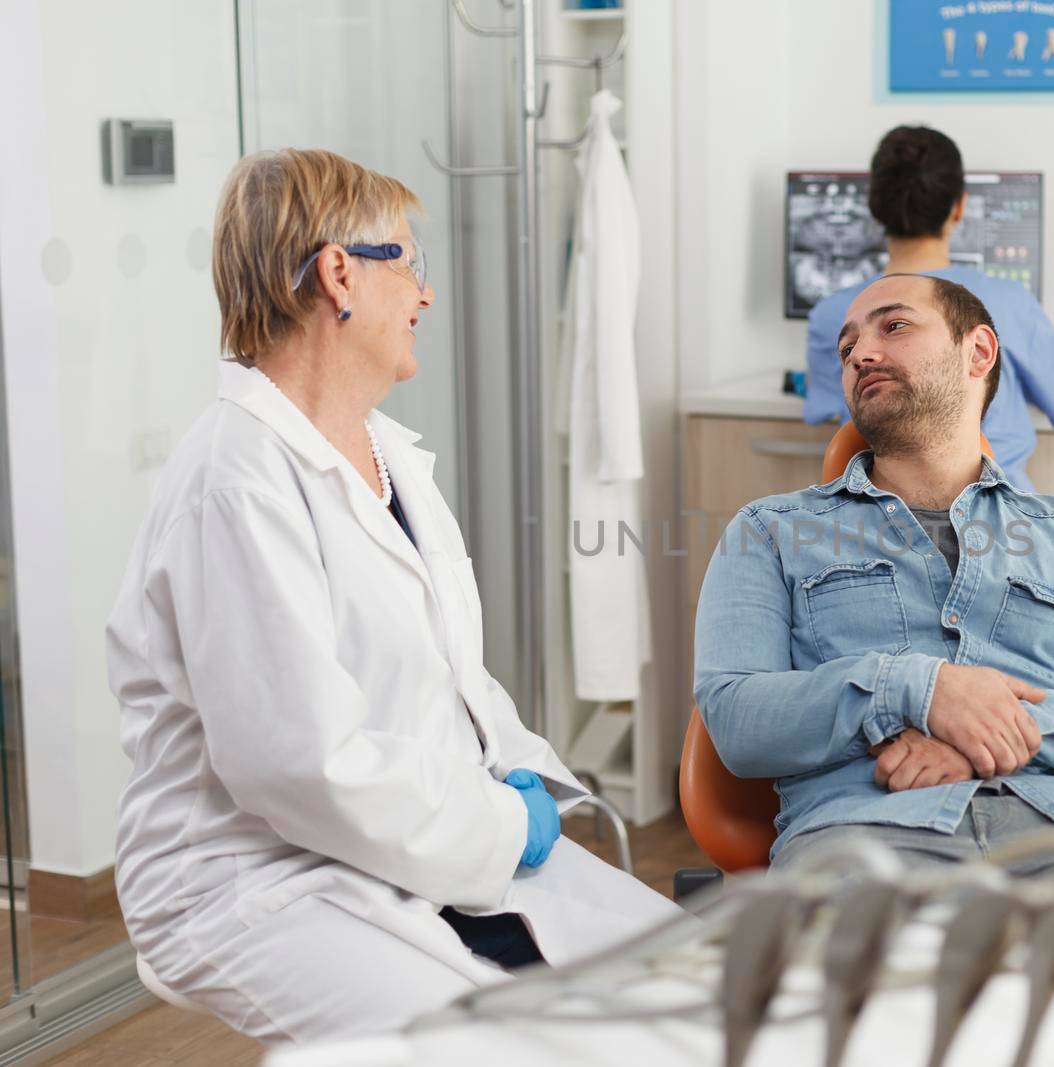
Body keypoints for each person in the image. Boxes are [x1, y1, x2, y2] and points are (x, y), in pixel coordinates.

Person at [107, 149, 677, 1043]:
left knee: (682, 975)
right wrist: (496, 827)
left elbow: (455, 676)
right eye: (408, 260)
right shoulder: (239, 482)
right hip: (249, 877)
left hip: (407, 836)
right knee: (492, 1046)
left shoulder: (383, 452)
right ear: (339, 274)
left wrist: (515, 776)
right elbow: (301, 765)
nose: (425, 293)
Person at [696, 272, 1054, 1030]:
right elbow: (737, 719)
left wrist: (985, 733)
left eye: (892, 327)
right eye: (848, 342)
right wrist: (912, 687)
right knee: (883, 1034)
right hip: (863, 847)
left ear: (979, 351)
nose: (860, 351)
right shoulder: (768, 532)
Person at [804, 125, 1054, 491]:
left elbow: (825, 412)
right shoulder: (1011, 302)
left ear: (874, 208)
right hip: (1005, 525)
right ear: (959, 206)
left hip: (876, 522)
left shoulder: (832, 314)